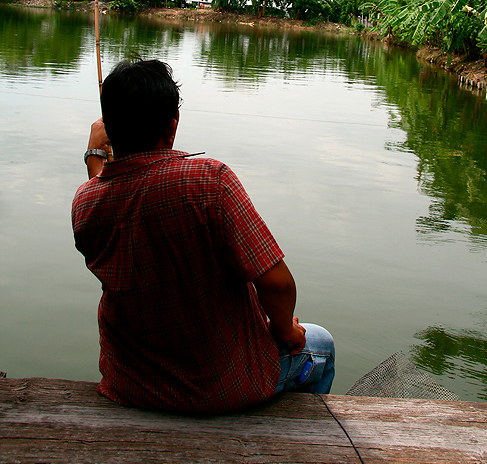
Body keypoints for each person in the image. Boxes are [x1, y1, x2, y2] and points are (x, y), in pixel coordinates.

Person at [72, 58, 334, 414]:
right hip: (216, 387)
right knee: (320, 342)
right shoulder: (210, 181)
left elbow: (108, 187)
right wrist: (287, 330)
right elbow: (276, 285)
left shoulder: (85, 202)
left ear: (110, 131)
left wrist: (95, 155)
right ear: (172, 127)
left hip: (128, 383)